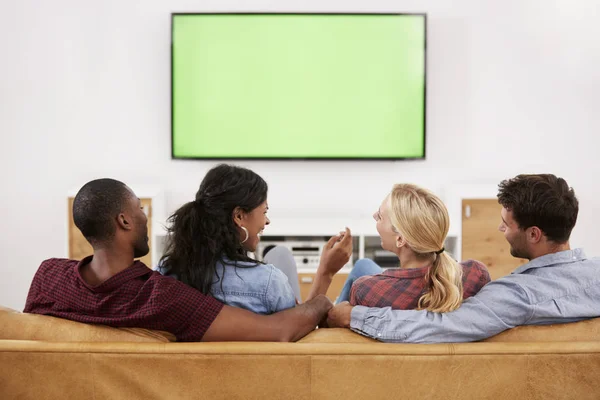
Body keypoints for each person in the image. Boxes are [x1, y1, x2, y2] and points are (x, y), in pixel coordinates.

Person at [24, 178, 336, 342]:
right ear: (124, 221)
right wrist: (321, 300)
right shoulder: (161, 297)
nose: (144, 216)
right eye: (139, 209)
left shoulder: (48, 276)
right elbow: (278, 330)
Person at [326, 174, 600, 343]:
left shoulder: (517, 296)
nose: (500, 229)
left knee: (362, 270)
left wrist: (356, 316)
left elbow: (438, 325)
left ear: (534, 234)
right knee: (364, 267)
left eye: (507, 224)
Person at [157, 164, 352, 314]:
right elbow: (301, 335)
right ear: (239, 216)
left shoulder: (165, 273)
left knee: (279, 254)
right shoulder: (268, 283)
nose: (266, 221)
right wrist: (326, 272)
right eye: (264, 211)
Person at [336, 184, 490, 311]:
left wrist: (326, 272)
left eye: (380, 216)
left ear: (401, 239)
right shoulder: (476, 274)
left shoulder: (365, 290)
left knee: (359, 270)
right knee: (364, 265)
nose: (374, 216)